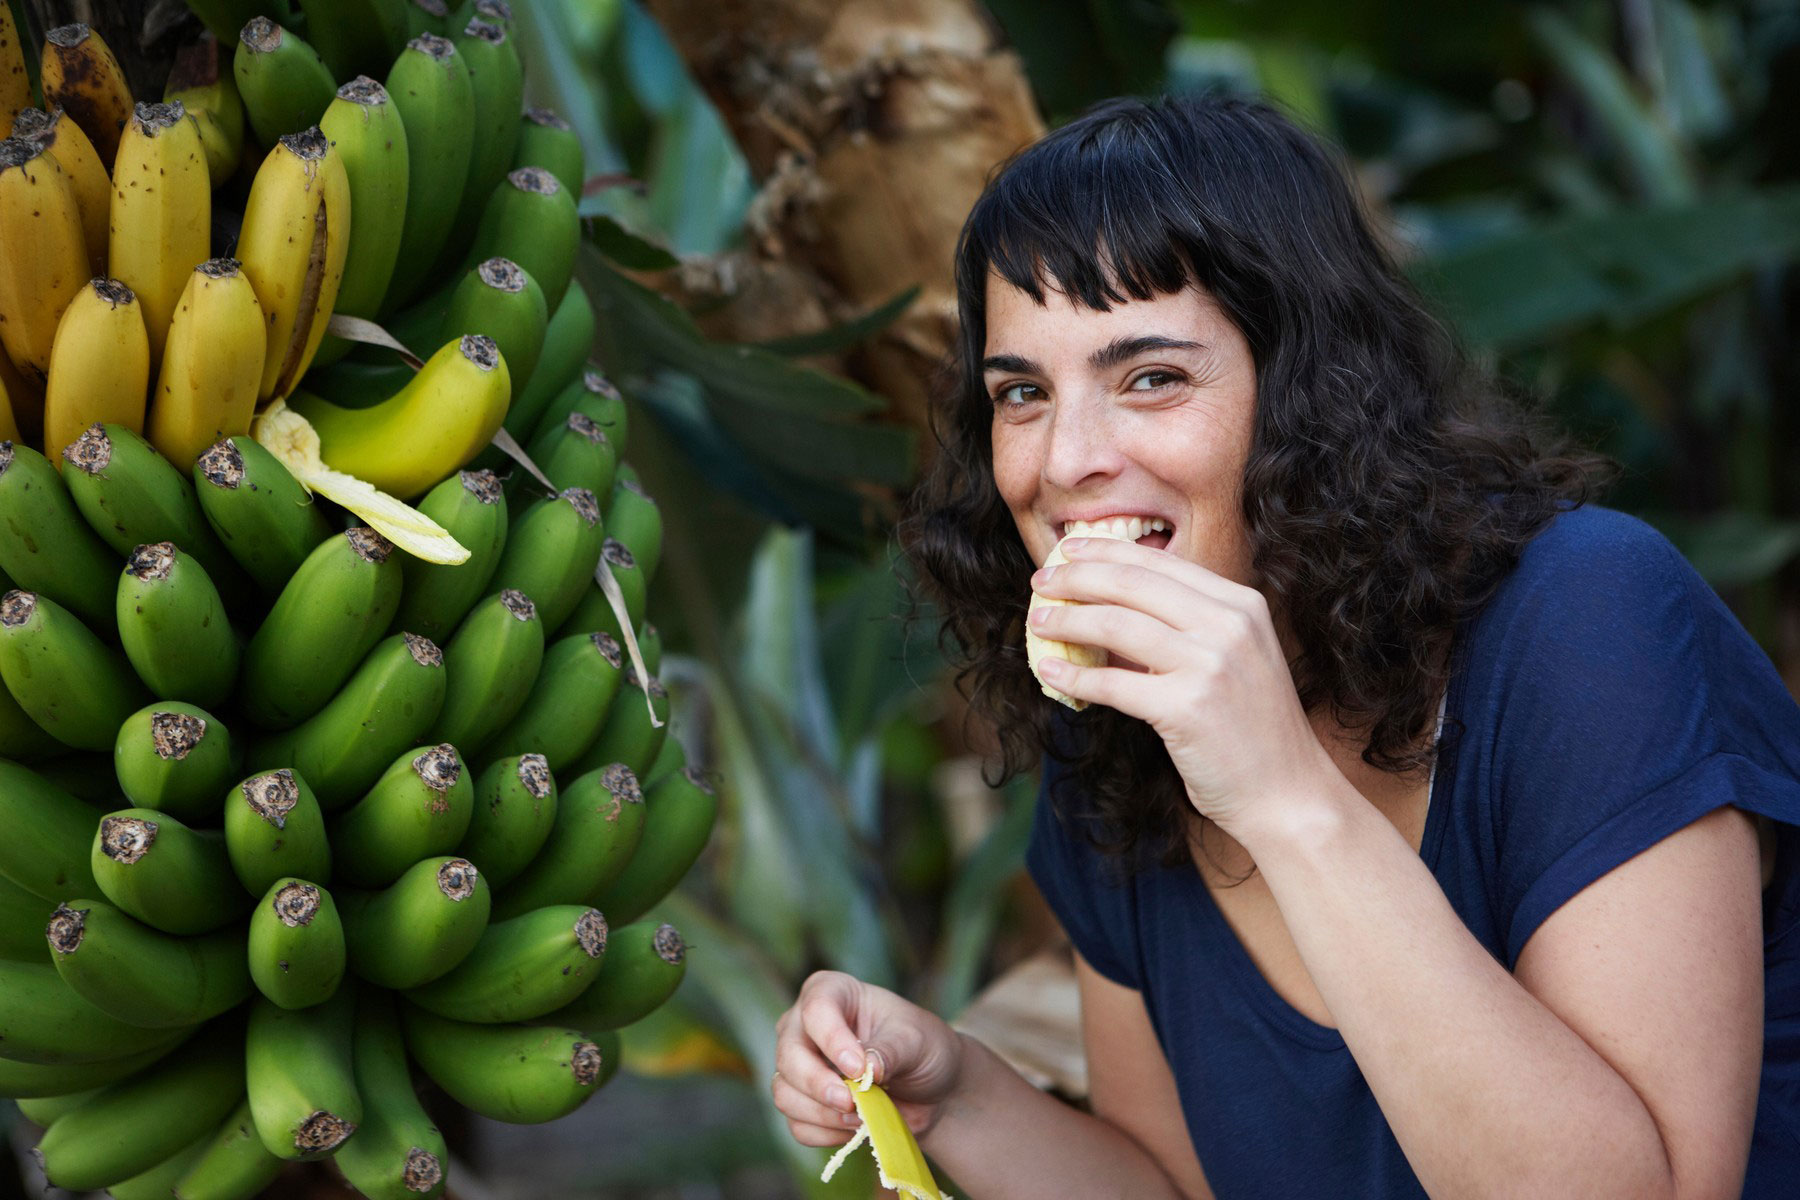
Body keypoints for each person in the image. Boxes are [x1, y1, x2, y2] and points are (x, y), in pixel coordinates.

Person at [769, 93, 1800, 1198]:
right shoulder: (1114, 726)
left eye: (1150, 377)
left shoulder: (1590, 618)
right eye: (1022, 393)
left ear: (1315, 392)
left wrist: (1279, 791)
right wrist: (959, 1095)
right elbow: (1175, 1184)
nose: (1063, 460)